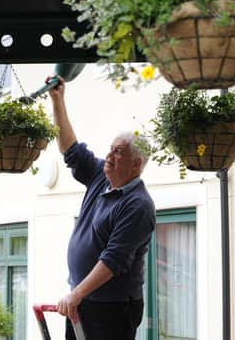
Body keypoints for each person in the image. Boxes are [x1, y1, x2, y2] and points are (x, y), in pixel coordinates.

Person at [48, 75, 155, 340]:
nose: (109, 155)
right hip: (83, 300)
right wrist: (58, 100)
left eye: (118, 152)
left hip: (112, 308)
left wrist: (76, 294)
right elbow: (70, 149)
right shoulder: (100, 176)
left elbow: (112, 260)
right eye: (110, 149)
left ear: (135, 165)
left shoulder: (137, 205)